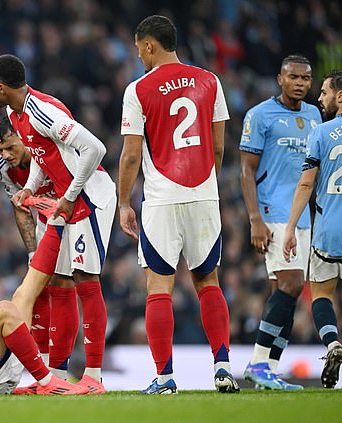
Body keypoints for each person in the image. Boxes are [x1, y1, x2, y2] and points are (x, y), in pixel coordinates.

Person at [118, 15, 239, 394]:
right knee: (208, 281)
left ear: (150, 45)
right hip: (204, 193)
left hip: (162, 197)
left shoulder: (138, 90)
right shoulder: (210, 80)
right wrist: (207, 185)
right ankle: (222, 367)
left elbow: (131, 155)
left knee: (159, 286)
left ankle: (166, 377)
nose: (139, 56)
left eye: (139, 49)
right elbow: (219, 147)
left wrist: (124, 202)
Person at [0, 54, 117, 394]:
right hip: (66, 200)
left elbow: (94, 148)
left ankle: (95, 375)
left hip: (90, 196)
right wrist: (29, 186)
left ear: (1, 87)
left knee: (86, 279)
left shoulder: (43, 110)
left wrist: (71, 195)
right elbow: (45, 155)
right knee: (59, 282)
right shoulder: (15, 114)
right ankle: (55, 377)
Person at [239, 55, 321, 390]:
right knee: (292, 284)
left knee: (284, 292)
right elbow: (246, 170)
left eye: (306, 78)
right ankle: (259, 363)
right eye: (293, 77)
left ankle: (268, 370)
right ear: (279, 79)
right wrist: (254, 217)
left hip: (304, 216)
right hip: (273, 213)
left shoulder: (316, 116)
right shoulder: (260, 115)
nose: (300, 83)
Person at [0, 115, 79, 391]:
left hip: (77, 216)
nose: (5, 155)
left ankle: (63, 372)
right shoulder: (4, 168)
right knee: (38, 288)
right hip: (45, 222)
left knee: (66, 285)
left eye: (9, 147)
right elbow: (20, 208)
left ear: (23, 137)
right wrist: (32, 253)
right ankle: (44, 372)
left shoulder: (51, 147)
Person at [283, 70, 342, 389]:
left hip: (331, 226)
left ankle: (333, 343)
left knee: (321, 294)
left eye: (324, 93)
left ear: (341, 96)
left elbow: (307, 182)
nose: (318, 98)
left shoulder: (321, 133)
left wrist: (291, 227)